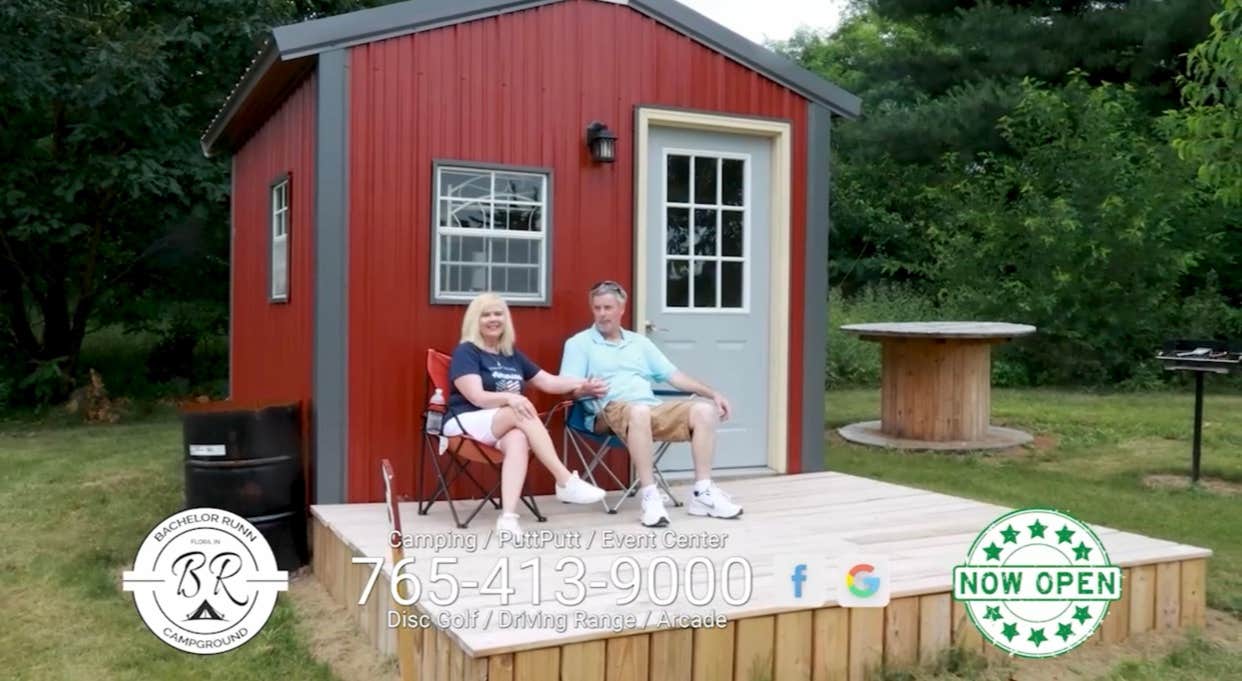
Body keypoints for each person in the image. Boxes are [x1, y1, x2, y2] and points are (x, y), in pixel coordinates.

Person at [560, 280, 743, 527]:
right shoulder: (578, 344)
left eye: (608, 308)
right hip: (606, 412)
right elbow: (566, 388)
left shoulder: (640, 343)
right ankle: (649, 496)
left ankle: (702, 493)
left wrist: (712, 393)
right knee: (639, 411)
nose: (602, 314)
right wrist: (583, 389)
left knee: (703, 411)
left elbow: (675, 376)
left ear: (621, 309)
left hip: (648, 408)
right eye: (597, 308)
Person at [445, 292, 608, 536]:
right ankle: (564, 480)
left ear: (506, 319)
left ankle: (508, 518)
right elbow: (476, 397)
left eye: (498, 313)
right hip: (464, 422)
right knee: (519, 410)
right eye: (485, 314)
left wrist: (583, 385)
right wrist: (512, 397)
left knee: (519, 439)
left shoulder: (511, 355)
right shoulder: (467, 352)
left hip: (498, 424)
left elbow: (549, 382)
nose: (493, 319)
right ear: (474, 321)